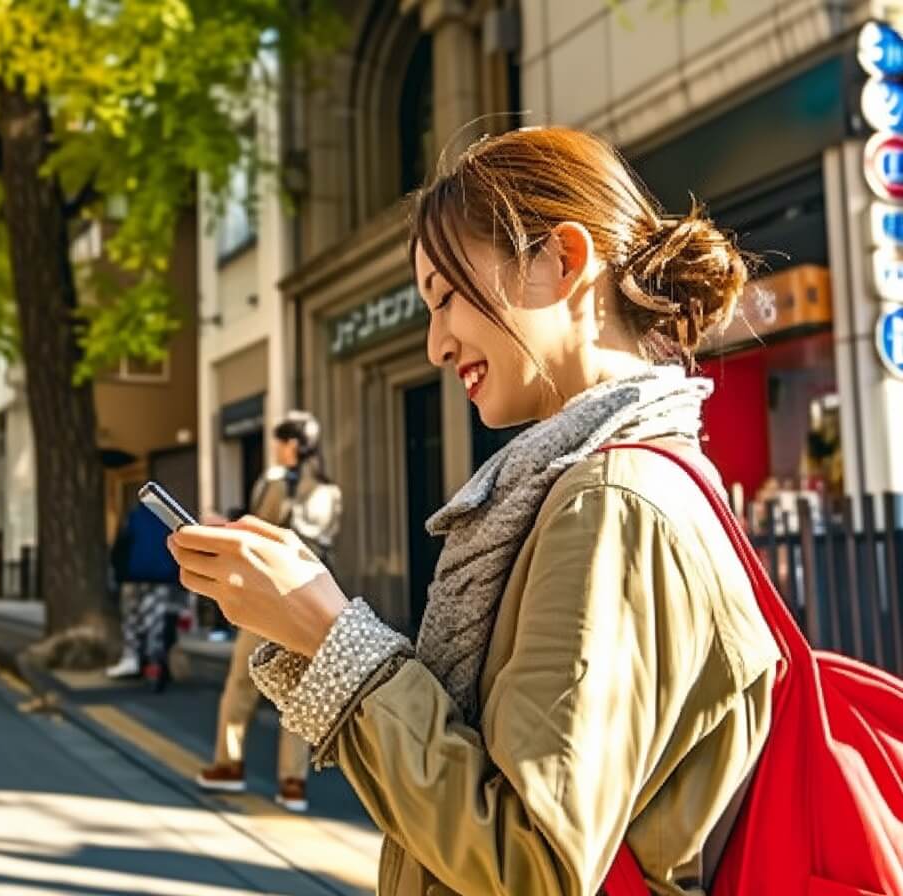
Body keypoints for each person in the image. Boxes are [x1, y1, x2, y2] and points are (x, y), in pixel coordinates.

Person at [169, 127, 783, 894]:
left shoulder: (611, 505)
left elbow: (529, 867)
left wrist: (331, 637)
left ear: (560, 260)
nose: (433, 344)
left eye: (446, 297)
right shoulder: (607, 483)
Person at [195, 410, 342, 813]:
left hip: (269, 599)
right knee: (297, 695)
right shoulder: (330, 490)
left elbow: (255, 533)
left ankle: (229, 765)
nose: (275, 449)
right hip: (311, 598)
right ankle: (293, 783)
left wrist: (219, 526)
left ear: (291, 445)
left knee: (241, 683)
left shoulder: (277, 483)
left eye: (279, 441)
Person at [105, 498, 184, 686]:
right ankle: (156, 662)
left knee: (132, 619)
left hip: (133, 578)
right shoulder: (168, 521)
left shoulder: (134, 517)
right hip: (161, 579)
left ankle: (132, 659)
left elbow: (121, 547)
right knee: (155, 621)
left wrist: (119, 574)